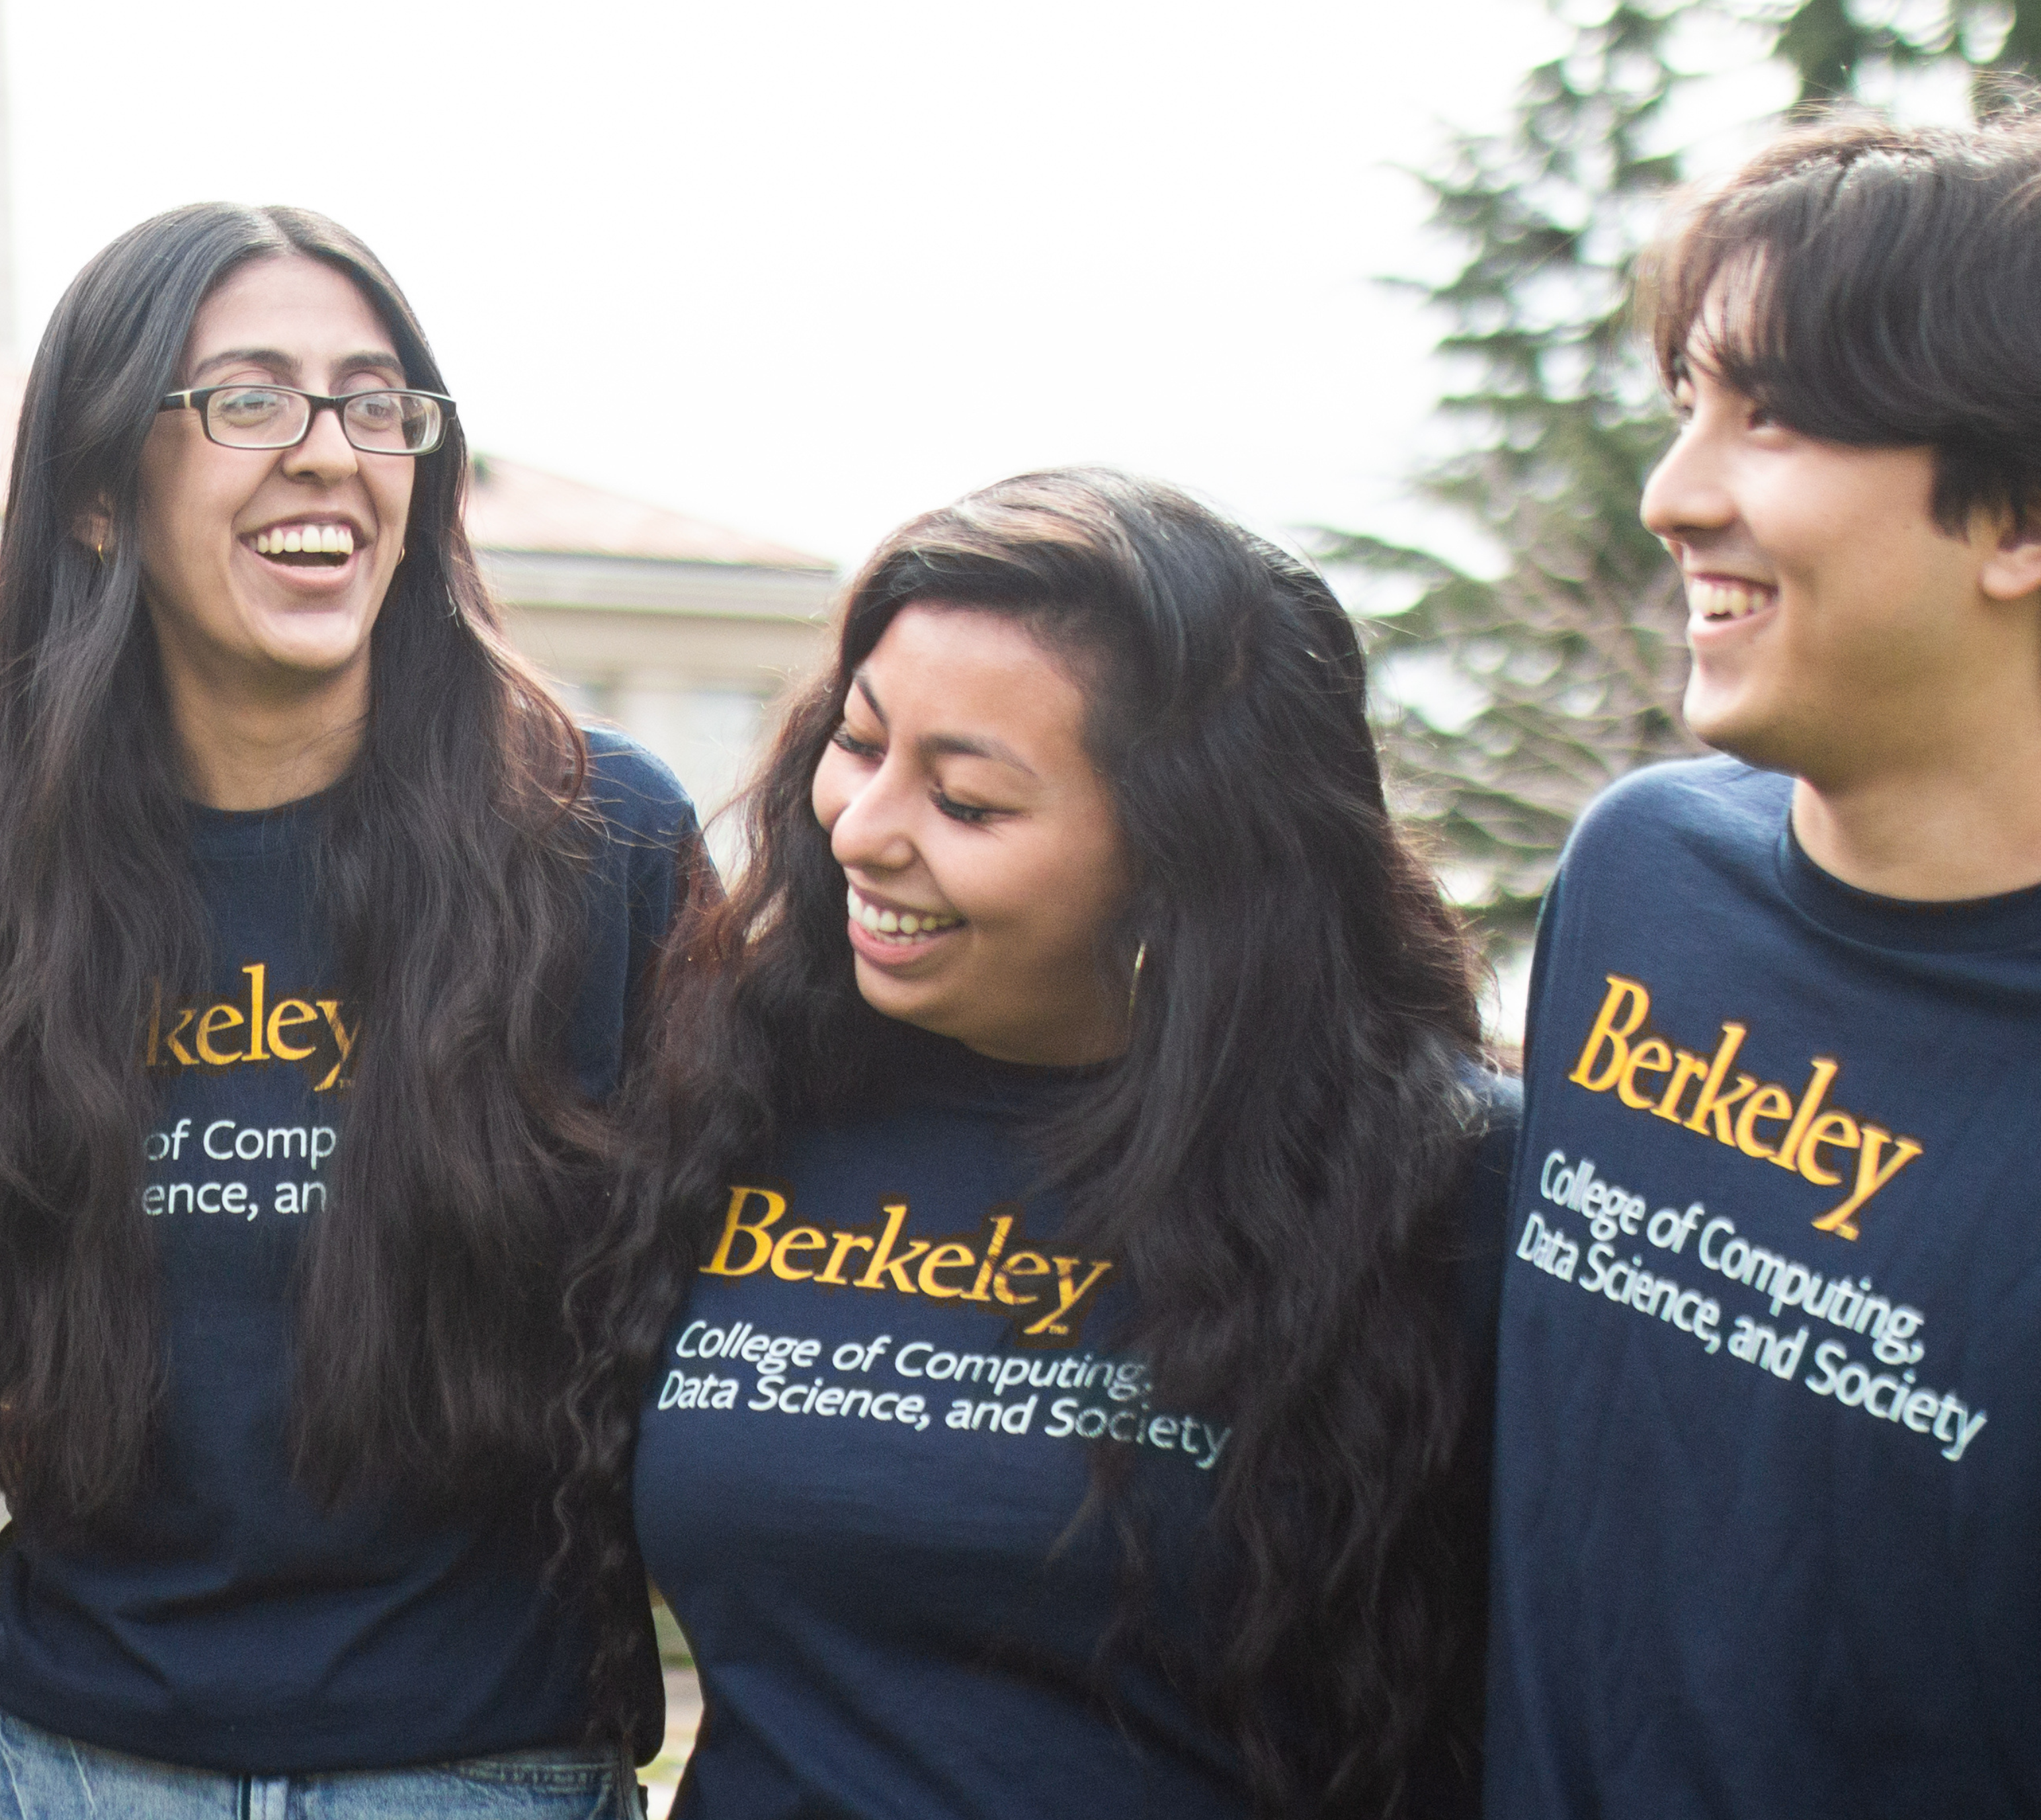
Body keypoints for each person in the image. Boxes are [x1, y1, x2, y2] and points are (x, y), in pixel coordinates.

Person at [0, 203, 690, 1819]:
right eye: (248, 400)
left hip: (479, 1771)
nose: (331, 453)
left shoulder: (604, 843)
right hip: (84, 1767)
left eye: (376, 405)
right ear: (100, 494)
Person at [577, 472, 1505, 1818]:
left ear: (1188, 860)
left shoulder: (1443, 1191)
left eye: (969, 804)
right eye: (857, 741)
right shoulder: (743, 1103)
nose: (864, 830)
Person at [1485, 115, 2041, 1815]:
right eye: (1686, 411)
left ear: (2017, 513)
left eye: (1773, 416)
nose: (1673, 498)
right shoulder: (1641, 878)